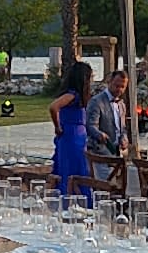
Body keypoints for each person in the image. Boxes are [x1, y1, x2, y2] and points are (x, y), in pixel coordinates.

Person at [49, 61, 93, 202]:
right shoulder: (72, 95)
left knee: (80, 167)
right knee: (71, 168)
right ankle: (70, 198)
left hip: (79, 136)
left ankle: (79, 198)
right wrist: (57, 126)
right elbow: (53, 107)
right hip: (71, 136)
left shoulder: (79, 97)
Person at [85, 70, 129, 176]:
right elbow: (90, 125)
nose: (119, 89)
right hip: (100, 153)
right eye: (117, 86)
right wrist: (100, 135)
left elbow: (122, 127)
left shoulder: (121, 105)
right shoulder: (96, 101)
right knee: (104, 182)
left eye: (123, 87)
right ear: (109, 82)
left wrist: (124, 138)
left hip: (117, 154)